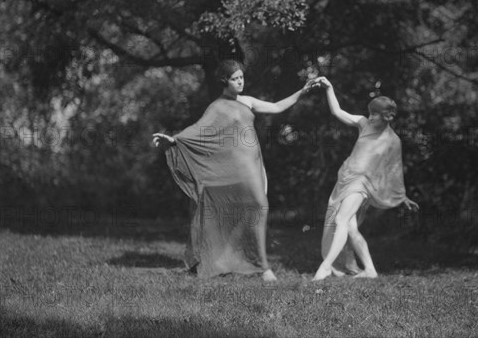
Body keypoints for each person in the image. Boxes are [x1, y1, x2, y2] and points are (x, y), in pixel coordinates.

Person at [153, 60, 315, 281]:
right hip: (233, 168)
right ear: (225, 81)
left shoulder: (247, 101)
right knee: (241, 210)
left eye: (241, 77)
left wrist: (303, 91)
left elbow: (276, 107)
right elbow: (198, 131)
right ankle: (261, 268)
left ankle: (249, 262)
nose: (240, 82)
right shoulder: (217, 107)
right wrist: (173, 140)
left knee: (259, 207)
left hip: (253, 164)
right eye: (235, 78)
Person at [312, 77, 419, 281]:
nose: (370, 118)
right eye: (370, 113)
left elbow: (395, 170)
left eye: (375, 115)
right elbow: (337, 112)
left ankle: (326, 267)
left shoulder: (393, 141)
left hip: (362, 184)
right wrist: (330, 88)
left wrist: (402, 197)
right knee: (350, 227)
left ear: (389, 116)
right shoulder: (363, 124)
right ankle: (370, 270)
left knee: (342, 220)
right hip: (345, 179)